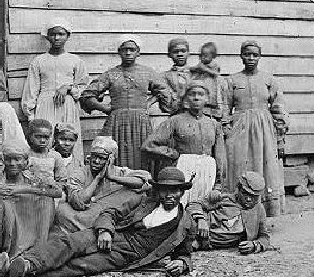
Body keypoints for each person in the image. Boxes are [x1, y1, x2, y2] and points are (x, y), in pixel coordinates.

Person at [0, 167, 195, 277]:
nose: (169, 196)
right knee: (70, 243)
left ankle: (20, 272)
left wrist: (182, 263)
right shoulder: (143, 201)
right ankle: (29, 262)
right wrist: (106, 231)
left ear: (182, 192)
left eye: (175, 191)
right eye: (165, 190)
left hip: (127, 255)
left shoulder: (185, 223)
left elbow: (185, 254)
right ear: (158, 190)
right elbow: (110, 213)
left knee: (81, 266)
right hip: (112, 234)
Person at [80, 34, 171, 171]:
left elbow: (164, 91)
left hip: (141, 121)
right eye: (124, 49)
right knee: (113, 153)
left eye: (132, 49)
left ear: (138, 52)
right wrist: (104, 108)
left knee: (142, 153)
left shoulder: (147, 72)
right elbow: (87, 95)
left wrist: (148, 103)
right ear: (119, 52)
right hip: (116, 120)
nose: (128, 52)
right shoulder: (111, 74)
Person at [223, 40, 289, 216]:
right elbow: (224, 108)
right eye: (247, 54)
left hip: (264, 129)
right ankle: (238, 210)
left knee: (265, 164)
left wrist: (280, 133)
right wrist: (227, 129)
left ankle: (265, 211)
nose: (251, 58)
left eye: (255, 55)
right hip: (240, 129)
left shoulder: (269, 80)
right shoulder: (232, 80)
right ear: (241, 56)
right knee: (239, 164)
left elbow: (279, 107)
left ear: (260, 57)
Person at [141, 83, 227, 205]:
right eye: (192, 94)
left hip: (208, 170)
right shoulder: (175, 120)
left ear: (207, 99)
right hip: (183, 168)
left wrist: (218, 183)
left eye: (201, 94)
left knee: (204, 205)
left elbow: (220, 157)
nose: (196, 98)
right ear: (186, 99)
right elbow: (148, 146)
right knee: (183, 204)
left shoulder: (214, 124)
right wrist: (172, 153)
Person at [21, 19, 89, 166]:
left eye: (61, 34)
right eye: (53, 34)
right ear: (47, 36)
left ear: (67, 36)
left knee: (68, 140)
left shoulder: (75, 60)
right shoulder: (39, 61)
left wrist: (69, 88)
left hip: (68, 106)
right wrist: (31, 115)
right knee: (46, 139)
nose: (57, 38)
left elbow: (84, 87)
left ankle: (72, 175)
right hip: (45, 105)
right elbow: (31, 89)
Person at [55, 136, 151, 233]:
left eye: (101, 158)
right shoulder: (80, 173)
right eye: (94, 156)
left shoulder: (119, 172)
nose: (96, 161)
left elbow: (144, 181)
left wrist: (112, 177)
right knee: (62, 210)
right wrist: (98, 178)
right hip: (83, 216)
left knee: (134, 194)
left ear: (111, 159)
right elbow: (78, 202)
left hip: (109, 215)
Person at [0, 145, 63, 258]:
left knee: (46, 199)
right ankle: (11, 250)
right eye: (8, 159)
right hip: (4, 221)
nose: (12, 163)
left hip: (27, 213)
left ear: (25, 161)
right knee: (4, 204)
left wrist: (21, 189)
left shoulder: (31, 177)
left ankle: (39, 247)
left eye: (17, 159)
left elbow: (57, 192)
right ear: (3, 160)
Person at [188, 171, 271, 254]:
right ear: (238, 189)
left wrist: (254, 245)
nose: (249, 199)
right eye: (245, 194)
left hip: (216, 246)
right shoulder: (223, 198)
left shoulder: (259, 210)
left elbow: (264, 237)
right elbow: (194, 204)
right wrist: (201, 220)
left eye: (254, 197)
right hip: (197, 236)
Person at [25, 119, 68, 200]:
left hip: (50, 194)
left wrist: (55, 186)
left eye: (46, 137)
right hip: (29, 193)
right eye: (38, 137)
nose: (42, 140)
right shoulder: (26, 155)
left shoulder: (55, 156)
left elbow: (62, 180)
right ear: (30, 137)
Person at [189, 42, 227, 120]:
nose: (203, 58)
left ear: (212, 56)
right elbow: (192, 68)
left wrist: (206, 70)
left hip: (213, 92)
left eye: (206, 56)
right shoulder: (200, 66)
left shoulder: (214, 65)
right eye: (201, 56)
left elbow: (216, 74)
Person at [163, 38, 191, 115]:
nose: (180, 54)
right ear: (169, 54)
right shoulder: (165, 76)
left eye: (183, 51)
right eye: (175, 52)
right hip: (176, 113)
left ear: (188, 53)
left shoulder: (196, 74)